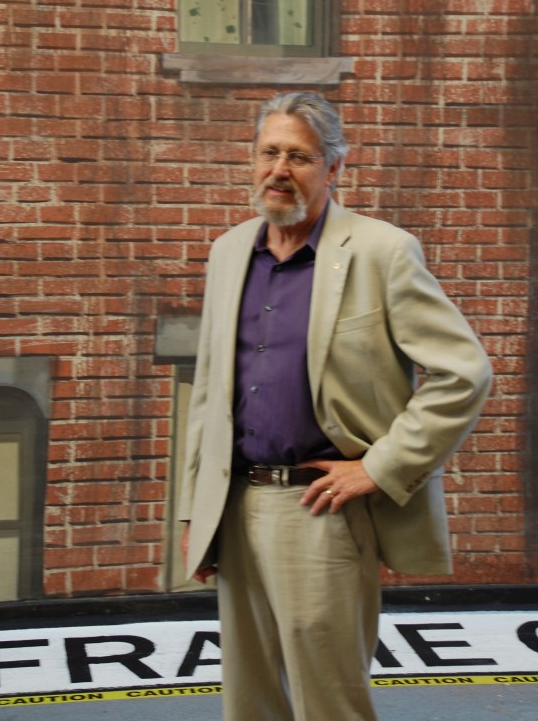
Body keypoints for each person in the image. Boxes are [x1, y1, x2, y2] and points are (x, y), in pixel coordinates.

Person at [178, 92, 492, 721]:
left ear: (334, 168)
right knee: (249, 699)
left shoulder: (382, 251)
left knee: (329, 702)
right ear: (252, 158)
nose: (279, 169)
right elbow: (210, 389)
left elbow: (465, 372)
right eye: (269, 152)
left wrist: (378, 468)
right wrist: (195, 509)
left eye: (298, 155)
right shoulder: (229, 252)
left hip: (318, 511)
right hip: (235, 504)